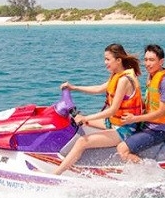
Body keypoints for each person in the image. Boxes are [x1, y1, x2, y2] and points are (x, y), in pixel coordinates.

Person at [53, 43, 142, 175]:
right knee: (81, 122)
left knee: (82, 141)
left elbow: (112, 110)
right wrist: (74, 88)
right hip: (114, 122)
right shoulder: (117, 75)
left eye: (108, 59)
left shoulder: (124, 80)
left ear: (118, 60)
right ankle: (66, 160)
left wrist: (86, 117)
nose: (105, 62)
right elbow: (98, 89)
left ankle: (56, 174)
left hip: (125, 129)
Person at [116, 44, 165, 163]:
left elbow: (161, 112)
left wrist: (134, 119)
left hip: (160, 130)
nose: (147, 63)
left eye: (151, 60)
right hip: (148, 124)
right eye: (146, 60)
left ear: (161, 61)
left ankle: (147, 170)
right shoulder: (152, 75)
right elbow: (149, 102)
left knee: (122, 149)